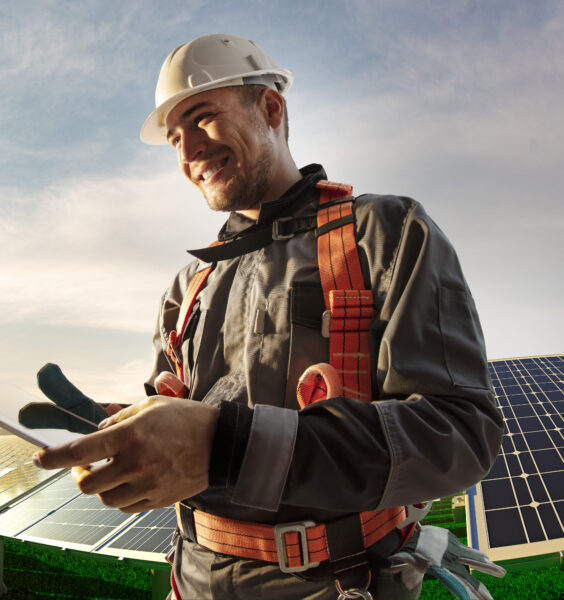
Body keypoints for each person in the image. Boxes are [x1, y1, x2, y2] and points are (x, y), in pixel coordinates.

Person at [33, 33, 504, 599]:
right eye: (175, 139)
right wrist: (124, 430)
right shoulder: (188, 288)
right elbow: (179, 438)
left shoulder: (384, 233)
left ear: (271, 108)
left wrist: (227, 447)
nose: (188, 151)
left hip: (337, 582)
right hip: (194, 578)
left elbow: (459, 436)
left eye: (203, 118)